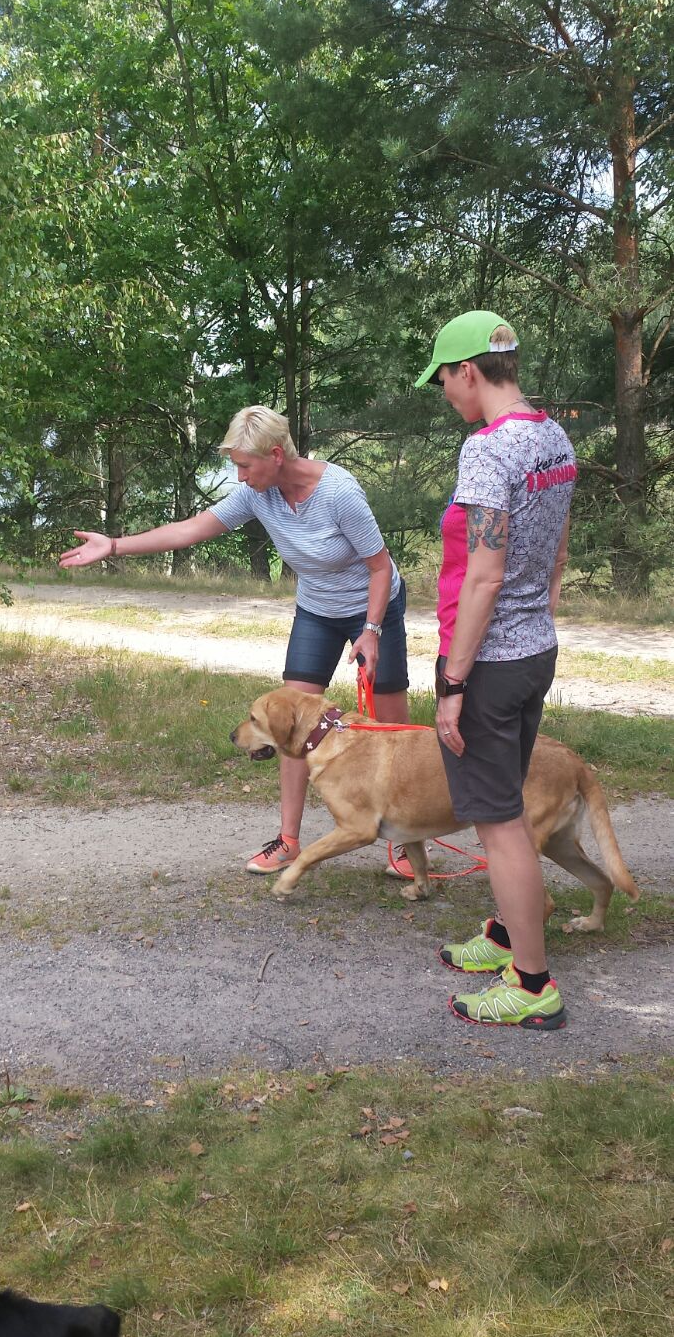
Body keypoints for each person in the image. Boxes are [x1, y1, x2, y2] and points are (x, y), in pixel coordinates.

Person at [59, 405, 410, 872]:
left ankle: (407, 845)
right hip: (317, 612)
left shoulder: (339, 494)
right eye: (236, 467)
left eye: (245, 466)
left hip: (374, 607)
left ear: (277, 454)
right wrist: (115, 545)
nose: (240, 477)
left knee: (393, 729)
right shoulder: (257, 495)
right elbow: (190, 530)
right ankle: (289, 840)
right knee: (288, 721)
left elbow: (379, 566)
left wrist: (370, 632)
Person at [414, 310, 576, 1028]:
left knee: (499, 822)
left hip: (490, 662)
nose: (446, 392)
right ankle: (510, 934)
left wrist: (453, 681)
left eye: (445, 379)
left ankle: (534, 986)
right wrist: (537, 614)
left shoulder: (486, 450)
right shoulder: (552, 435)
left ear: (470, 372)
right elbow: (558, 548)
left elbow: (483, 577)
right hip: (534, 649)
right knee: (505, 794)